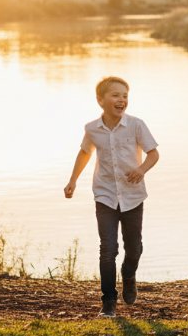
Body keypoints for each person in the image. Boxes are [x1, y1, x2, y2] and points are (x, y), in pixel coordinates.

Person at [64, 76, 160, 318]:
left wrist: (141, 170)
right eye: (116, 95)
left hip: (133, 196)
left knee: (134, 248)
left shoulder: (136, 125)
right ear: (101, 100)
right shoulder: (92, 129)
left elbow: (153, 154)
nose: (122, 100)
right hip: (105, 194)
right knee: (107, 249)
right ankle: (108, 302)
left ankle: (129, 276)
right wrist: (72, 180)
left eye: (125, 96)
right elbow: (85, 153)